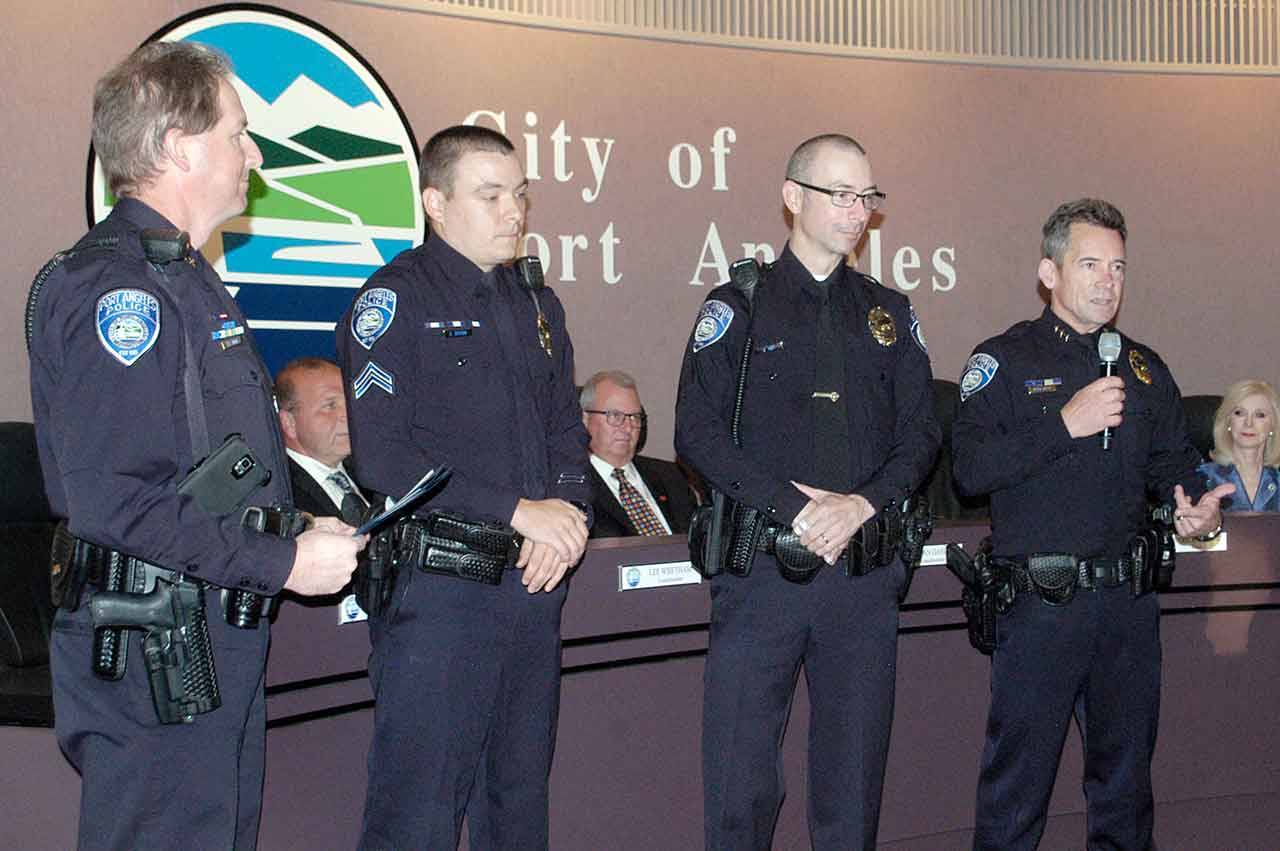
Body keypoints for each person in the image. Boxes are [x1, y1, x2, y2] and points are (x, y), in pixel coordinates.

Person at [27, 42, 364, 849]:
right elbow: (115, 500)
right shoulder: (119, 293)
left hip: (204, 643)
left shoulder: (182, 277)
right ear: (180, 146)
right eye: (238, 133)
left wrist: (291, 529)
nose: (253, 153)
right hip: (154, 652)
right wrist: (280, 565)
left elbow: (204, 470)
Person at [675, 133, 940, 850]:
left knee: (851, 788)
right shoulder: (739, 305)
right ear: (793, 197)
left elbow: (921, 435)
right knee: (741, 784)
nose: (858, 211)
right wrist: (796, 507)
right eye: (841, 194)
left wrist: (859, 504)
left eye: (868, 197)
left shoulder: (890, 311)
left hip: (861, 574)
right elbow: (696, 433)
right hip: (763, 573)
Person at [337, 124, 591, 850]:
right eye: (490, 195)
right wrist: (519, 512)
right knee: (417, 814)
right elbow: (384, 456)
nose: (514, 212)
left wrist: (566, 518)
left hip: (532, 590)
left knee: (517, 807)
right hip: (442, 597)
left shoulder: (538, 305)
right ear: (436, 203)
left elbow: (565, 431)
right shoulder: (393, 300)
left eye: (519, 195)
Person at [951, 198, 1234, 850]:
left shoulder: (1144, 368)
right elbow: (968, 469)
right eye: (1090, 264)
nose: (1108, 280)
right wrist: (1062, 423)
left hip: (1127, 610)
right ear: (1048, 272)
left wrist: (1190, 504)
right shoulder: (1004, 360)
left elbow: (1174, 468)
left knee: (1125, 792)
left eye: (1118, 267)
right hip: (1040, 608)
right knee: (1016, 794)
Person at [580, 369, 698, 537]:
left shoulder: (671, 476)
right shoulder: (571, 486)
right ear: (585, 419)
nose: (628, 427)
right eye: (615, 415)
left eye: (635, 416)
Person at [276, 357, 369, 523]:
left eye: (348, 402)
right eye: (330, 405)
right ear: (289, 423)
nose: (348, 415)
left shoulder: (373, 471)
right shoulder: (280, 495)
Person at [1199, 379, 1280, 512]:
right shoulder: (1202, 478)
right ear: (1228, 422)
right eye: (1239, 413)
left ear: (1273, 426)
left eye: (1260, 415)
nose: (1248, 423)